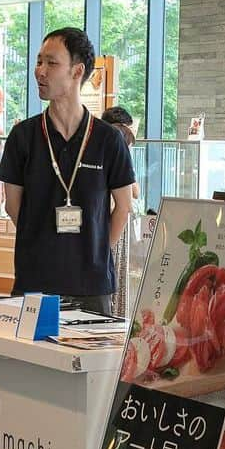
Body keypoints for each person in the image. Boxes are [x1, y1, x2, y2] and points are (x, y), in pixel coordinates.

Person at [0, 28, 136, 315]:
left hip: (91, 285)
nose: (40, 71)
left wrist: (95, 250)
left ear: (77, 71)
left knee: (89, 360)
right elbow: (13, 206)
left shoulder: (108, 139)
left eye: (51, 62)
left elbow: (124, 207)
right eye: (38, 62)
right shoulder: (23, 136)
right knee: (29, 360)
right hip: (34, 281)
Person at [101, 105, 142, 319]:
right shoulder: (119, 148)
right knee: (113, 272)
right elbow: (134, 192)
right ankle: (114, 318)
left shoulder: (96, 144)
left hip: (100, 219)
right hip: (116, 220)